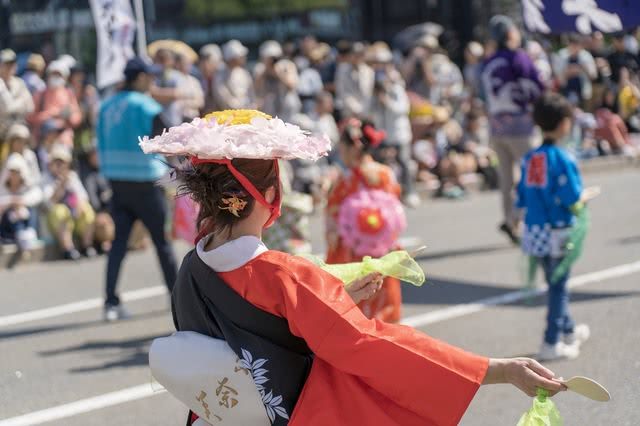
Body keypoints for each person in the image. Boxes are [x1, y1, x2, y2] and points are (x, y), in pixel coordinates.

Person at [141, 109, 566, 426]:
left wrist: (333, 298)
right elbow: (373, 347)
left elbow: (253, 328)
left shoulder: (191, 267)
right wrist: (492, 369)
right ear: (271, 194)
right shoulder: (285, 275)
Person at [96, 57, 178, 322]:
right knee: (162, 243)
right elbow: (166, 141)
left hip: (116, 181)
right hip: (145, 180)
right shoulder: (146, 106)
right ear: (140, 77)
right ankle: (177, 299)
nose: (153, 80)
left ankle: (110, 302)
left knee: (119, 244)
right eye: (150, 76)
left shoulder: (105, 106)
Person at [516, 93, 591, 361]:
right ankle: (551, 342)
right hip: (558, 230)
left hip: (535, 230)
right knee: (559, 286)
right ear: (563, 124)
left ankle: (569, 330)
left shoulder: (531, 158)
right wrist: (585, 198)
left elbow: (522, 195)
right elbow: (572, 197)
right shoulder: (562, 158)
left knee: (554, 280)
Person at [325, 118, 404, 323]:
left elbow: (332, 219)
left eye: (341, 146)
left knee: (355, 303)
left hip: (352, 249)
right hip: (382, 245)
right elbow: (394, 213)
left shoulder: (345, 180)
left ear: (352, 148)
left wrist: (334, 239)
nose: (340, 151)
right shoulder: (386, 173)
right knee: (382, 300)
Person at [481, 15, 544, 244]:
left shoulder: (488, 63)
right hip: (520, 127)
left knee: (506, 179)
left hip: (496, 128)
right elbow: (537, 86)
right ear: (510, 34)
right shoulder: (518, 57)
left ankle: (510, 220)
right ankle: (528, 218)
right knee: (535, 172)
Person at [367, 42, 420, 208]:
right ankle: (384, 193)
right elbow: (371, 111)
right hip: (383, 133)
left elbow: (403, 109)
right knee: (382, 164)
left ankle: (409, 192)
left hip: (399, 132)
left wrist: (387, 101)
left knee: (403, 161)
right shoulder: (375, 89)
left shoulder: (397, 88)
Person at [42, 144, 96, 260]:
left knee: (87, 209)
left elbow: (83, 196)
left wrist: (79, 205)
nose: (59, 166)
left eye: (62, 163)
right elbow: (49, 203)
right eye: (56, 162)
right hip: (55, 219)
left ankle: (87, 246)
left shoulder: (72, 176)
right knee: (60, 212)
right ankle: (68, 249)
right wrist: (61, 185)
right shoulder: (46, 178)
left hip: (74, 216)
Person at [28, 60, 81, 148]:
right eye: (54, 74)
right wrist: (50, 114)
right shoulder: (40, 94)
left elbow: (77, 118)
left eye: (59, 75)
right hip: (44, 141)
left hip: (64, 141)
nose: (56, 77)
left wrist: (68, 117)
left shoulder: (69, 94)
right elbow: (30, 117)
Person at [0, 153, 42, 253]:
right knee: (12, 212)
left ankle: (28, 234)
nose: (14, 175)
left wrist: (21, 202)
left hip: (25, 219)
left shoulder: (27, 186)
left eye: (17, 172)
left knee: (29, 210)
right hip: (7, 227)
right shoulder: (3, 187)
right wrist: (12, 201)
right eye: (12, 172)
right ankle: (20, 234)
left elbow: (38, 195)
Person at [254, 40, 301, 122]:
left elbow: (292, 85)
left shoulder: (287, 65)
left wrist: (278, 73)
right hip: (269, 109)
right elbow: (256, 88)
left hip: (287, 109)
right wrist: (266, 71)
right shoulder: (260, 68)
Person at [0, 49, 34, 151]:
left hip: (18, 129)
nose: (9, 67)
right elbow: (6, 108)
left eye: (12, 64)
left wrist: (14, 105)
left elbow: (30, 107)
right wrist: (20, 102)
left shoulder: (19, 83)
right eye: (6, 64)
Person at [552, 34, 597, 108]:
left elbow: (593, 76)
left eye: (576, 45)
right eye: (572, 45)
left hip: (583, 93)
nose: (574, 48)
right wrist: (568, 72)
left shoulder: (586, 56)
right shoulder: (561, 55)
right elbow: (557, 77)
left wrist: (582, 68)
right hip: (565, 92)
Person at [334, 42, 373, 119]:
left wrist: (363, 110)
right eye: (355, 55)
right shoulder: (342, 69)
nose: (357, 57)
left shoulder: (369, 71)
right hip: (348, 112)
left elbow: (368, 93)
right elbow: (342, 91)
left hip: (365, 112)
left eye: (360, 55)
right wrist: (356, 109)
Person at [214, 40, 256, 110]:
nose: (243, 58)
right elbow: (224, 98)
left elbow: (251, 93)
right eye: (240, 56)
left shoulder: (243, 73)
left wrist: (252, 105)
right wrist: (241, 107)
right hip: (230, 116)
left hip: (247, 112)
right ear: (232, 58)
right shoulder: (220, 75)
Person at [68, 66, 100, 156]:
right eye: (76, 75)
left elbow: (94, 114)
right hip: (72, 130)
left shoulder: (89, 91)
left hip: (88, 131)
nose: (79, 78)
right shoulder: (68, 91)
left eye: (81, 75)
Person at [175, 53, 205, 121]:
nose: (186, 66)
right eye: (183, 63)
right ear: (177, 64)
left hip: (194, 118)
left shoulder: (194, 81)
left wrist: (185, 102)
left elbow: (201, 102)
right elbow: (175, 102)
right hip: (179, 119)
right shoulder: (173, 80)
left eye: (188, 64)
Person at [198, 44, 223, 114]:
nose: (205, 66)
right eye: (202, 62)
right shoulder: (200, 79)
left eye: (208, 61)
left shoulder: (222, 78)